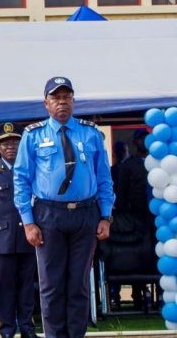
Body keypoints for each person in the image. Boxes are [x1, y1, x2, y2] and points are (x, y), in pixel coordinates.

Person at [13, 76, 114, 338]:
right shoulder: (33, 135)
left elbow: (104, 177)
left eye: (67, 97)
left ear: (73, 101)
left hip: (85, 214)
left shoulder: (90, 133)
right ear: (46, 103)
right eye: (56, 98)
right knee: (51, 285)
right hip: (48, 215)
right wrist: (28, 221)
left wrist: (106, 216)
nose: (62, 103)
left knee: (79, 284)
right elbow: (21, 179)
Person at [0, 123, 38, 338]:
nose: (10, 146)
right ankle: (7, 329)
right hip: (3, 239)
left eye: (14, 142)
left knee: (27, 286)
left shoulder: (32, 170)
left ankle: (28, 328)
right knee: (5, 287)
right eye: (5, 143)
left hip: (29, 237)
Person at [114, 128, 153, 309]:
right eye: (141, 138)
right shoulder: (129, 165)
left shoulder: (160, 161)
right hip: (136, 218)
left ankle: (159, 297)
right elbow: (121, 192)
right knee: (138, 254)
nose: (144, 141)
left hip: (159, 218)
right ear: (135, 142)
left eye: (147, 137)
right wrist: (122, 215)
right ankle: (137, 295)